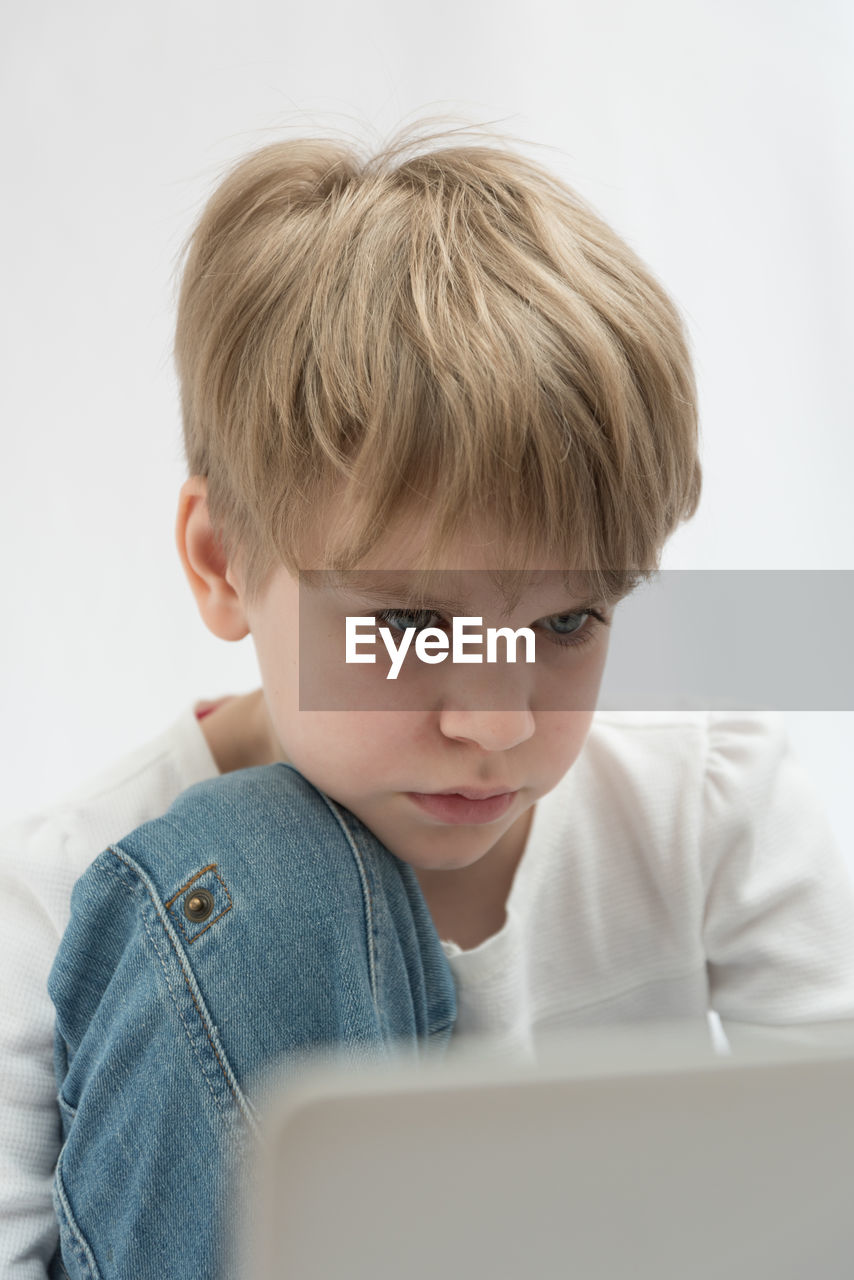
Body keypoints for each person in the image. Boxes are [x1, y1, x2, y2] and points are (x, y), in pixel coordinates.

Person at [3, 118, 854, 1279]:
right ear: (221, 563)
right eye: (405, 625)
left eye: (568, 622)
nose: (498, 721)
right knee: (251, 876)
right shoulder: (63, 891)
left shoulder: (704, 787)